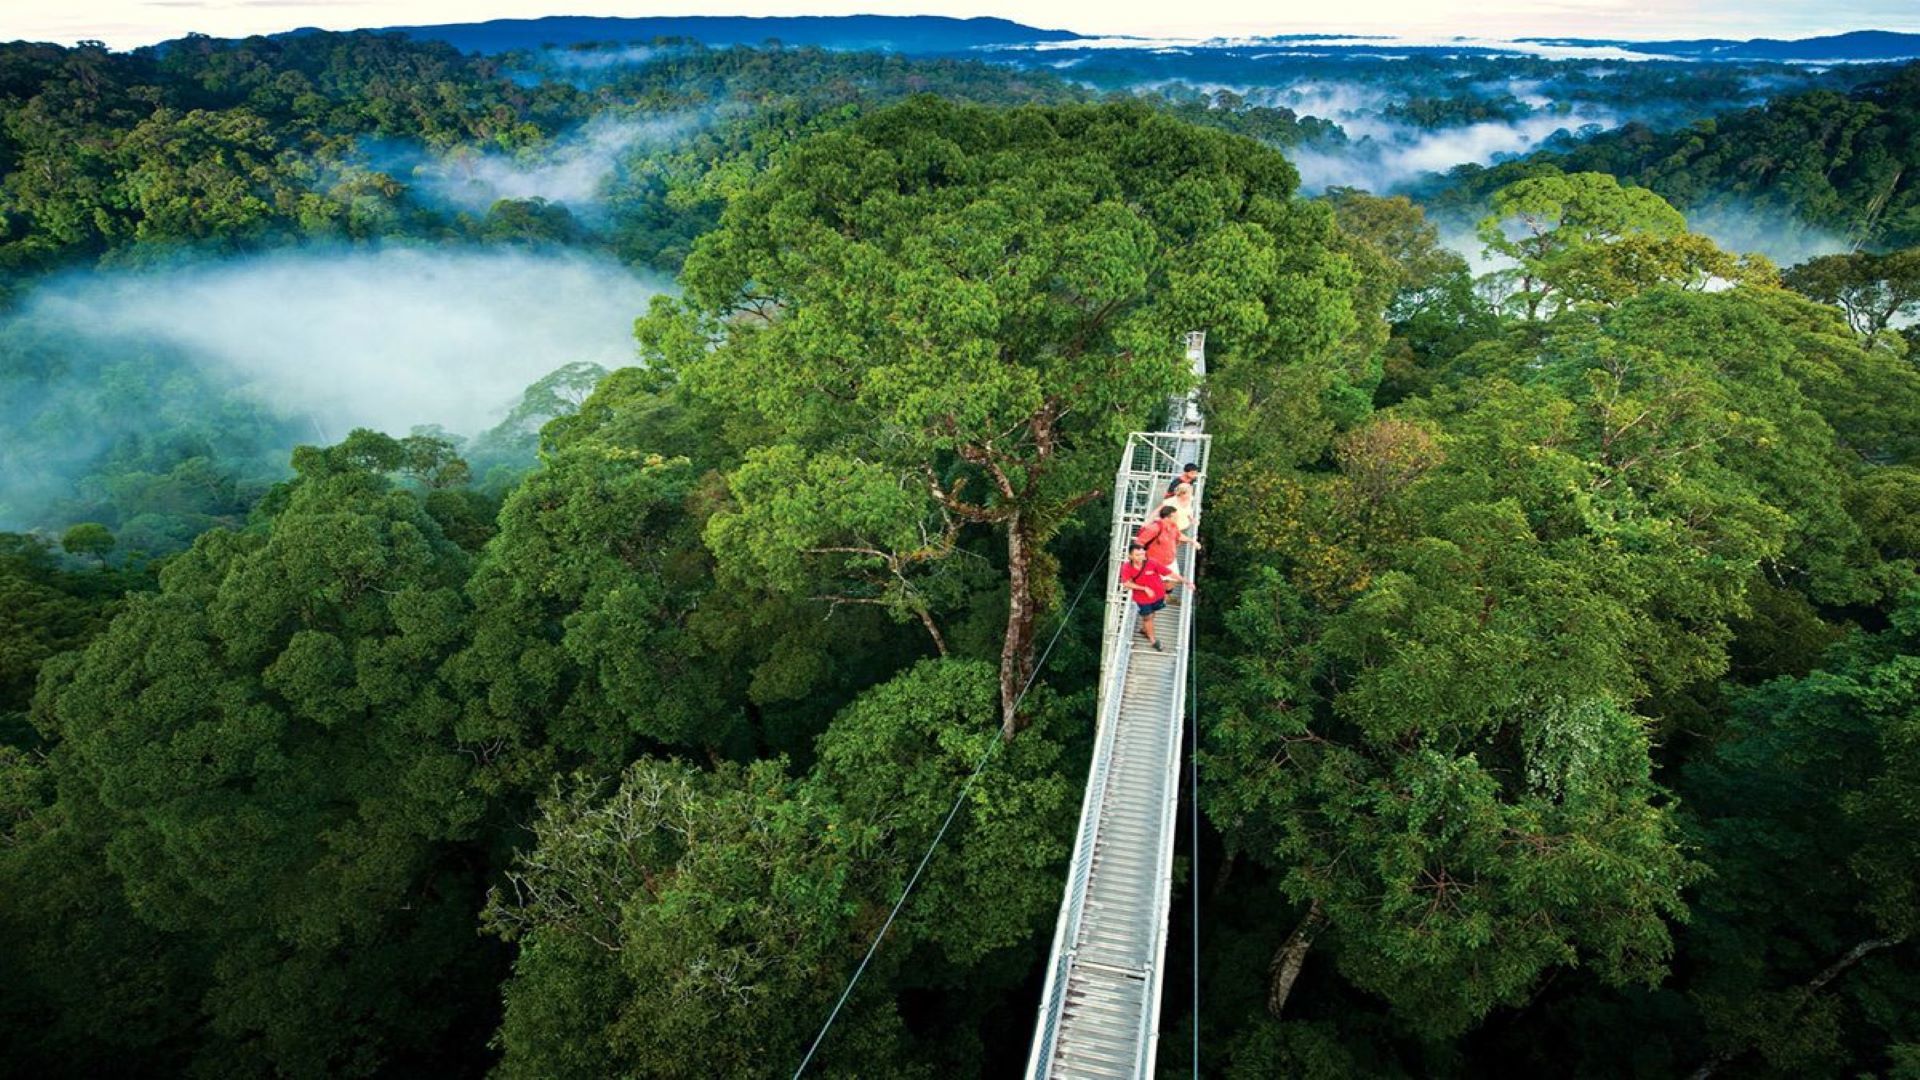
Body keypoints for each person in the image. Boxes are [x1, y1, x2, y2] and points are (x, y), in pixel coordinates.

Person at [1119, 542, 1185, 651]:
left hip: (1157, 596)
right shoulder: (1127, 567)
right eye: (1137, 555)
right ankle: (1153, 640)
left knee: (1153, 613)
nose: (1141, 557)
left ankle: (1145, 630)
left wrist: (1184, 581)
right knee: (1148, 617)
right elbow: (1126, 583)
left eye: (1142, 554)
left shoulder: (1151, 563)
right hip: (1142, 599)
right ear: (1130, 556)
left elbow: (1168, 572)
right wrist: (1144, 588)